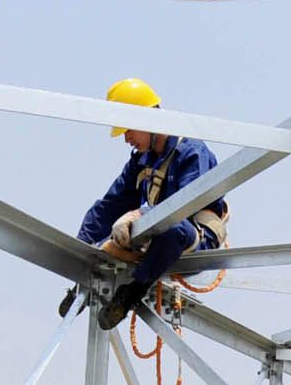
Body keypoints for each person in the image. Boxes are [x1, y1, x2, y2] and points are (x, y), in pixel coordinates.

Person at [74, 78, 229, 324]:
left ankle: (133, 291)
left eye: (128, 130)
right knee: (104, 239)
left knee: (172, 228)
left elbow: (183, 208)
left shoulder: (191, 152)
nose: (126, 139)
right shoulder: (141, 161)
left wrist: (138, 216)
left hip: (193, 238)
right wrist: (80, 249)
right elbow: (109, 206)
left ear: (147, 119)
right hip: (153, 240)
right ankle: (81, 286)